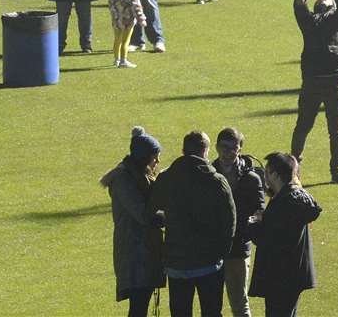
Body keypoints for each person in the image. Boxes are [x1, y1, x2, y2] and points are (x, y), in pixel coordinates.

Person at [149, 131, 237, 317]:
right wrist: (222, 252)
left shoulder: (167, 178)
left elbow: (151, 210)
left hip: (177, 262)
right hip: (209, 261)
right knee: (212, 312)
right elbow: (229, 221)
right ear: (205, 151)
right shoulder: (217, 181)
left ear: (183, 150)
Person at [290, 0, 338, 185]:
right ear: (316, 6)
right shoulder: (310, 22)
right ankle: (294, 170)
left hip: (335, 81)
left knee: (336, 131)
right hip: (314, 82)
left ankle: (337, 170)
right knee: (303, 126)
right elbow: (298, 3)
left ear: (332, 6)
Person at [102, 126, 165, 317]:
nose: (158, 161)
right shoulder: (123, 180)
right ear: (145, 158)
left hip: (143, 251)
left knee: (140, 305)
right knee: (138, 308)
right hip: (135, 253)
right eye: (155, 157)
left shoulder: (137, 177)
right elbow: (143, 215)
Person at [247, 152, 320, 317]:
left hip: (279, 276)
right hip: (294, 274)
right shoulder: (295, 197)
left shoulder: (282, 204)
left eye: (267, 172)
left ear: (274, 173)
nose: (265, 177)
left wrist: (254, 221)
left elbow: (263, 239)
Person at [212, 128, 266, 317]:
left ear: (240, 148)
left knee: (239, 304)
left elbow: (259, 213)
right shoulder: (208, 174)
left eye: (233, 148)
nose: (227, 153)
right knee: (210, 306)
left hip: (238, 249)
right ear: (216, 147)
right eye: (223, 147)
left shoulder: (251, 179)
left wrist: (246, 227)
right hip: (211, 248)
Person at [109, 0, 146, 69]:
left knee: (117, 40)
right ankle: (123, 60)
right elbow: (137, 6)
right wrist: (141, 19)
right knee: (126, 41)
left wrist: (114, 15)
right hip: (128, 20)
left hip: (116, 20)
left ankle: (116, 59)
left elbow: (110, 5)